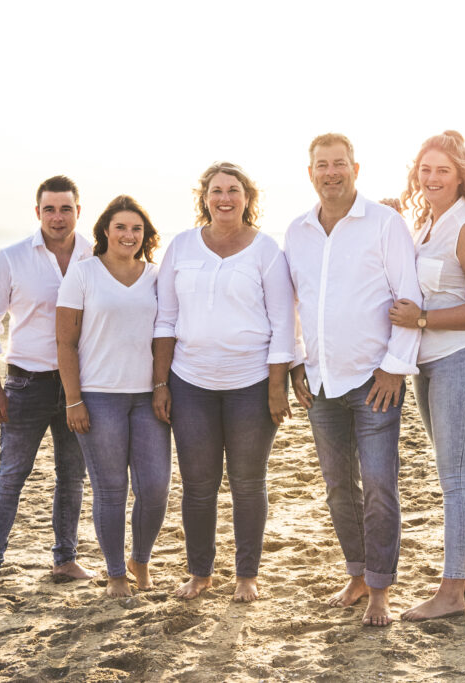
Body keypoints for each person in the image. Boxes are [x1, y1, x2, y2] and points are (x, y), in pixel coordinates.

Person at [285, 133, 422, 626]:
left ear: (355, 168)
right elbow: (291, 306)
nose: (331, 172)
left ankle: (381, 590)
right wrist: (295, 362)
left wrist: (393, 366)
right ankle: (358, 573)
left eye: (339, 163)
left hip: (374, 380)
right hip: (320, 383)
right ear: (311, 173)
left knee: (381, 486)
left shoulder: (385, 224)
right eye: (322, 165)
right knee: (338, 487)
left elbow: (409, 298)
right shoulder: (297, 231)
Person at [153, 162, 295, 603]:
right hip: (190, 382)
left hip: (251, 384)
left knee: (248, 482)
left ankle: (246, 575)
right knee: (198, 484)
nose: (225, 198)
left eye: (234, 190)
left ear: (247, 198)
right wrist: (161, 384)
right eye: (217, 190)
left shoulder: (267, 250)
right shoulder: (180, 247)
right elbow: (165, 320)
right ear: (205, 197)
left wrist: (276, 387)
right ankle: (200, 573)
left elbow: (282, 325)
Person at [386, 131, 465, 621]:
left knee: (454, 475)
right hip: (427, 360)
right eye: (426, 170)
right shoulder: (425, 225)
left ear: (461, 177)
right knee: (462, 468)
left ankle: (451, 593)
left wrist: (422, 320)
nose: (432, 178)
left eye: (443, 171)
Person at [0, 175, 94, 599]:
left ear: (79, 211)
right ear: (37, 212)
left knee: (71, 476)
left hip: (79, 384)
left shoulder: (95, 256)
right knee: (11, 476)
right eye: (50, 209)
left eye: (66, 209)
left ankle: (64, 558)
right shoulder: (11, 258)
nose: (58, 217)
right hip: (25, 383)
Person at [56, 195, 169, 598]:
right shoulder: (83, 274)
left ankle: (141, 558)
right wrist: (73, 399)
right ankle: (117, 574)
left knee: (156, 487)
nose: (129, 235)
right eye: (121, 227)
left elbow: (165, 337)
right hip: (98, 397)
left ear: (145, 235)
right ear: (105, 230)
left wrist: (161, 387)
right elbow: (65, 342)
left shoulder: (156, 276)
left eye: (136, 229)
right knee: (110, 489)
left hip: (147, 398)